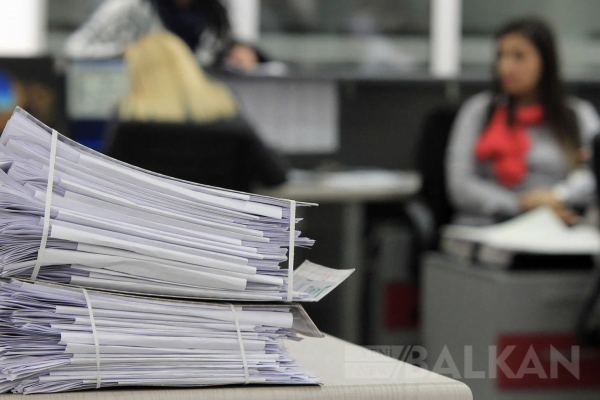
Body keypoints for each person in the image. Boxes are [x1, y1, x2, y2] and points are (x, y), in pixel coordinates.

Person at [446, 17, 600, 226]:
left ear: (545, 62)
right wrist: (521, 204)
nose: (505, 67)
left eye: (519, 56)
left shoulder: (576, 115)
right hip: (488, 225)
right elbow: (460, 186)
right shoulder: (479, 112)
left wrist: (558, 196)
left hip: (557, 226)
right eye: (500, 56)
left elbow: (593, 176)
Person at [108, 31, 288, 188]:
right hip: (220, 216)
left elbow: (110, 181)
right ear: (188, 64)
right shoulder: (225, 110)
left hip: (154, 217)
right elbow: (274, 177)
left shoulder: (128, 123)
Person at [64, 0, 260, 72]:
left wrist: (237, 54)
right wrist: (121, 53)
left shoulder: (214, 15)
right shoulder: (130, 7)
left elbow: (210, 60)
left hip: (195, 114)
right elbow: (73, 49)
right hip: (140, 108)